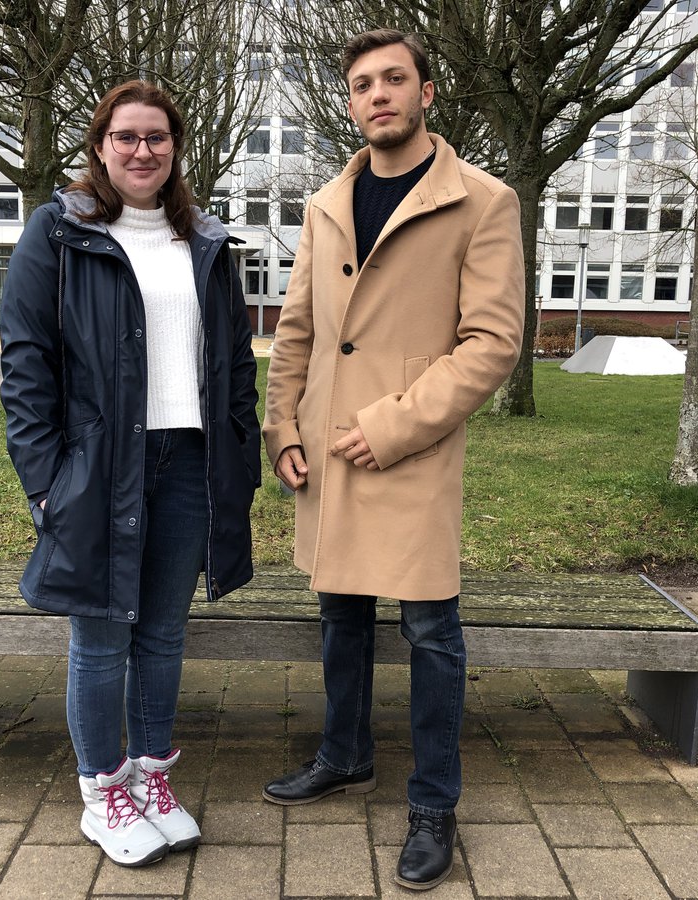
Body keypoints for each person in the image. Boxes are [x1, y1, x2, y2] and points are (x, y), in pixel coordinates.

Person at [261, 29, 525, 891]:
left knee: (430, 633)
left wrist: (395, 425)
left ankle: (433, 803)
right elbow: (296, 329)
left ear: (427, 93)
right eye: (363, 84)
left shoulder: (483, 200)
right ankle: (344, 756)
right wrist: (283, 428)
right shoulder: (326, 201)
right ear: (350, 101)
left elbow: (491, 344)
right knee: (339, 613)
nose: (379, 94)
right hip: (328, 450)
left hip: (408, 450)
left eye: (395, 79)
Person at [0, 80, 260, 868]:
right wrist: (46, 481)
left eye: (157, 137)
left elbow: (234, 364)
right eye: (126, 137)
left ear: (176, 146)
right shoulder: (60, 232)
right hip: (98, 467)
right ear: (100, 146)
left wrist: (239, 464)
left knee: (165, 633)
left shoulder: (204, 240)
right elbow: (25, 363)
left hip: (189, 463)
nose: (142, 151)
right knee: (103, 635)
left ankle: (151, 778)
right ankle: (101, 790)